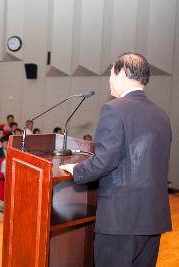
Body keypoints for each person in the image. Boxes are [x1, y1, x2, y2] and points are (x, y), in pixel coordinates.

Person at [65, 53, 172, 267]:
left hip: (121, 220)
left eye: (111, 74)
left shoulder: (114, 109)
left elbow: (105, 160)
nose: (109, 80)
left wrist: (76, 169)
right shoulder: (161, 114)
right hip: (152, 217)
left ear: (122, 73)